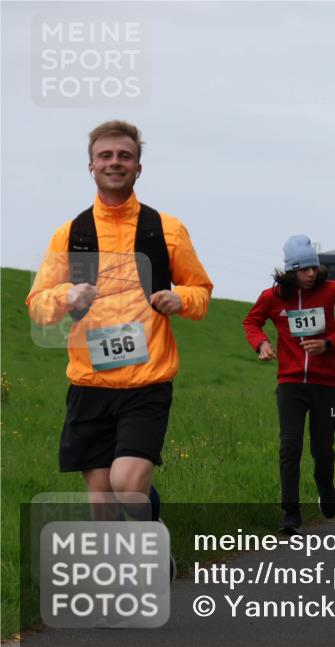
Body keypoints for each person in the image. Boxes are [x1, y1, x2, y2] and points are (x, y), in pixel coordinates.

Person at [26, 120, 213, 572]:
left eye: (124, 156)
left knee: (127, 485)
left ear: (138, 167)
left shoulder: (167, 229)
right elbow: (37, 305)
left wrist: (179, 298)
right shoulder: (69, 235)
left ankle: (152, 532)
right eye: (106, 156)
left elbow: (201, 291)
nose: (115, 163)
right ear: (91, 166)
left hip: (146, 381)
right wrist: (66, 296)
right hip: (89, 383)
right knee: (101, 501)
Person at [243, 235, 335, 534]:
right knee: (289, 446)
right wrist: (262, 344)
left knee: (322, 448)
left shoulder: (334, 292)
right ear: (290, 271)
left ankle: (326, 485)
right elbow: (251, 322)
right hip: (291, 384)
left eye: (312, 268)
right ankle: (290, 514)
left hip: (328, 384)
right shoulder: (273, 297)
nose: (309, 274)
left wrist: (329, 344)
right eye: (302, 269)